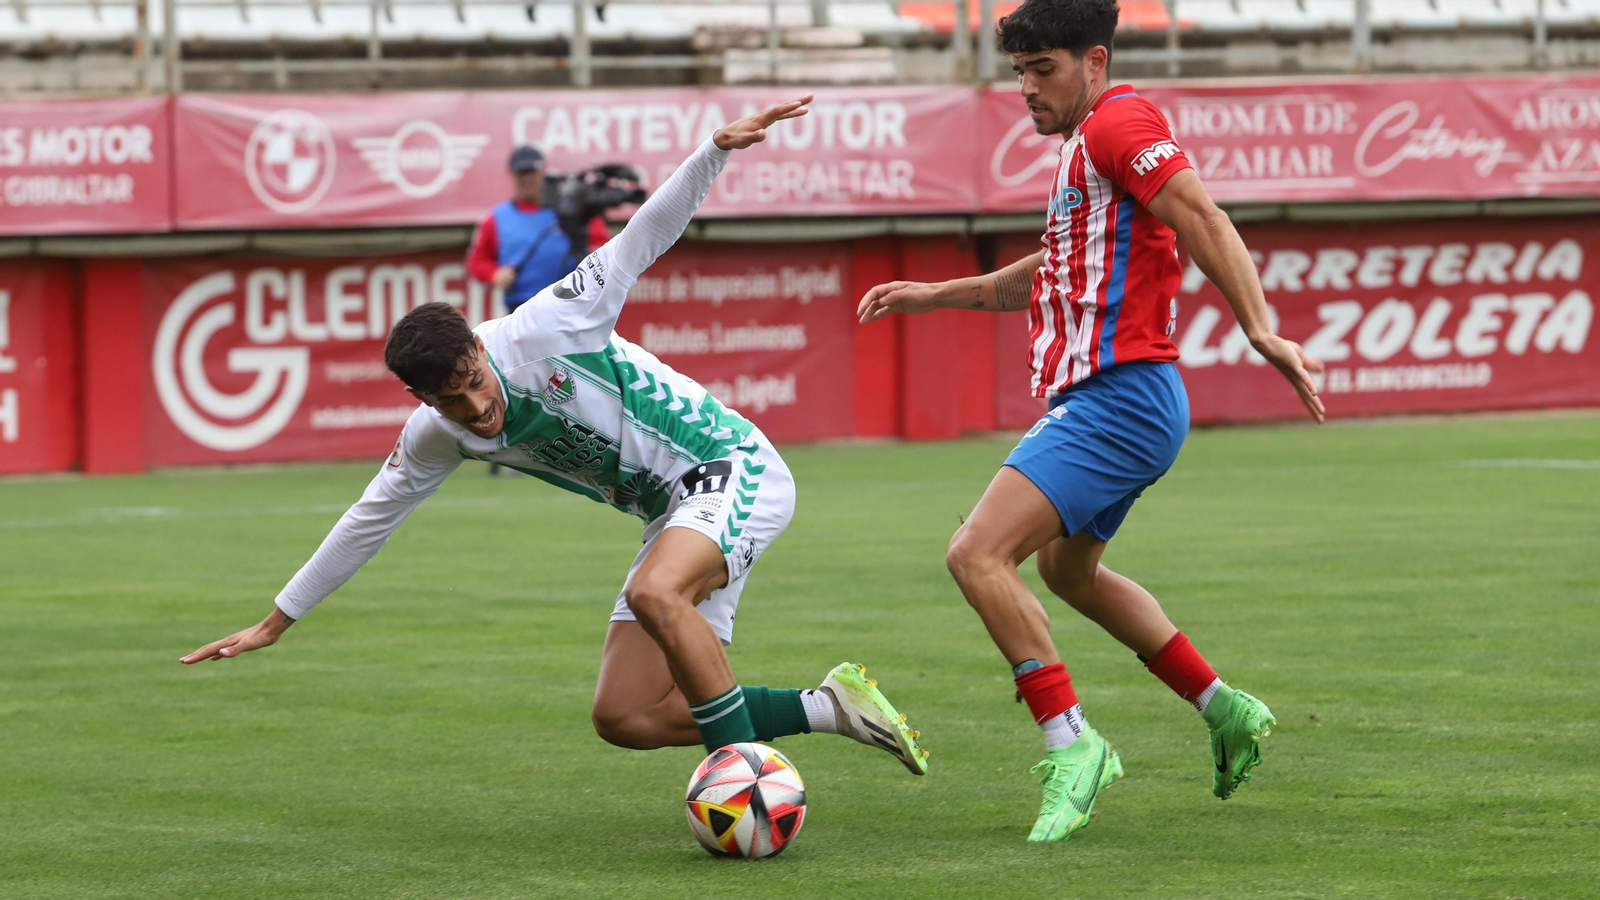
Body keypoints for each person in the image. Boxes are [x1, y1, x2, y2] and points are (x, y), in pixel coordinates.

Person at [182, 96, 929, 779]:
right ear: (421, 399)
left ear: (481, 349)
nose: (475, 409)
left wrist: (714, 150)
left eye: (475, 382)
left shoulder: (547, 326)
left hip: (729, 466)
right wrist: (277, 621)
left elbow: (642, 238)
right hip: (673, 512)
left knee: (654, 592)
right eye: (449, 402)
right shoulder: (435, 434)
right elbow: (369, 519)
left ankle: (745, 784)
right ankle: (832, 708)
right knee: (626, 715)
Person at [857, 0, 1324, 843]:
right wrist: (936, 295)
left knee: (976, 553)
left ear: (1094, 61)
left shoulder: (1119, 123)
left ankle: (1074, 744)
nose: (1028, 90)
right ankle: (1225, 708)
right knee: (1068, 574)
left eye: (1045, 71)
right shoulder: (1084, 152)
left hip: (1121, 397)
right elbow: (1051, 270)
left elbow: (1203, 216)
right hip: (1121, 403)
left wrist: (1260, 328)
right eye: (1020, 74)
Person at [466, 144, 613, 314]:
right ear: (512, 176)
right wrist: (495, 274)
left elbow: (606, 250)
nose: (528, 179)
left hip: (572, 302)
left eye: (533, 172)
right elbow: (476, 261)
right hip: (521, 307)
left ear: (544, 172)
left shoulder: (571, 208)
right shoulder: (495, 218)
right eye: (522, 173)